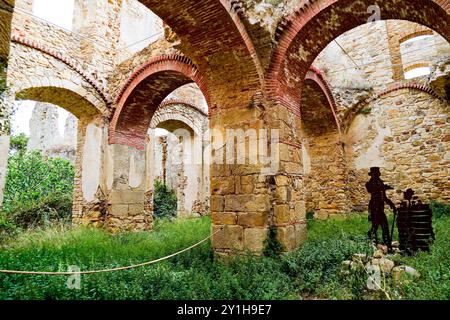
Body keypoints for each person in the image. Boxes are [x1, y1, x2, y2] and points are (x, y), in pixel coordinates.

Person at [365, 167, 396, 251]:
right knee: (380, 225)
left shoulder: (379, 182)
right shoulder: (372, 183)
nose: (378, 174)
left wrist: (391, 205)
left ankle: (371, 241)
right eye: (376, 173)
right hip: (375, 207)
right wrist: (383, 187)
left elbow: (384, 197)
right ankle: (386, 245)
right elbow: (373, 189)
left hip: (379, 207)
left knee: (378, 226)